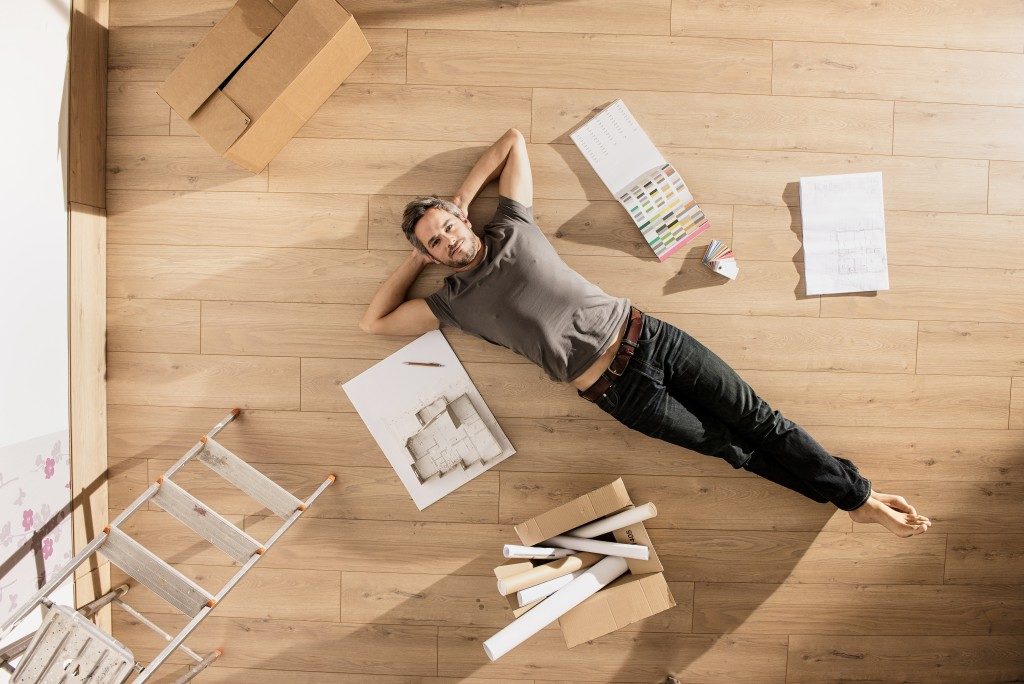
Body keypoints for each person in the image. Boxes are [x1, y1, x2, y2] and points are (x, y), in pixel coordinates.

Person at [360, 128, 930, 538]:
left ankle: (857, 499)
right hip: (619, 392)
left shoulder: (511, 225)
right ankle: (854, 498)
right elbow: (375, 322)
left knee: (760, 420)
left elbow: (512, 141)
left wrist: (459, 198)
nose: (450, 242)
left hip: (651, 338)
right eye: (436, 242)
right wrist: (415, 258)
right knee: (734, 450)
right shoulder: (451, 303)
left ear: (463, 218)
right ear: (429, 253)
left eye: (449, 228)